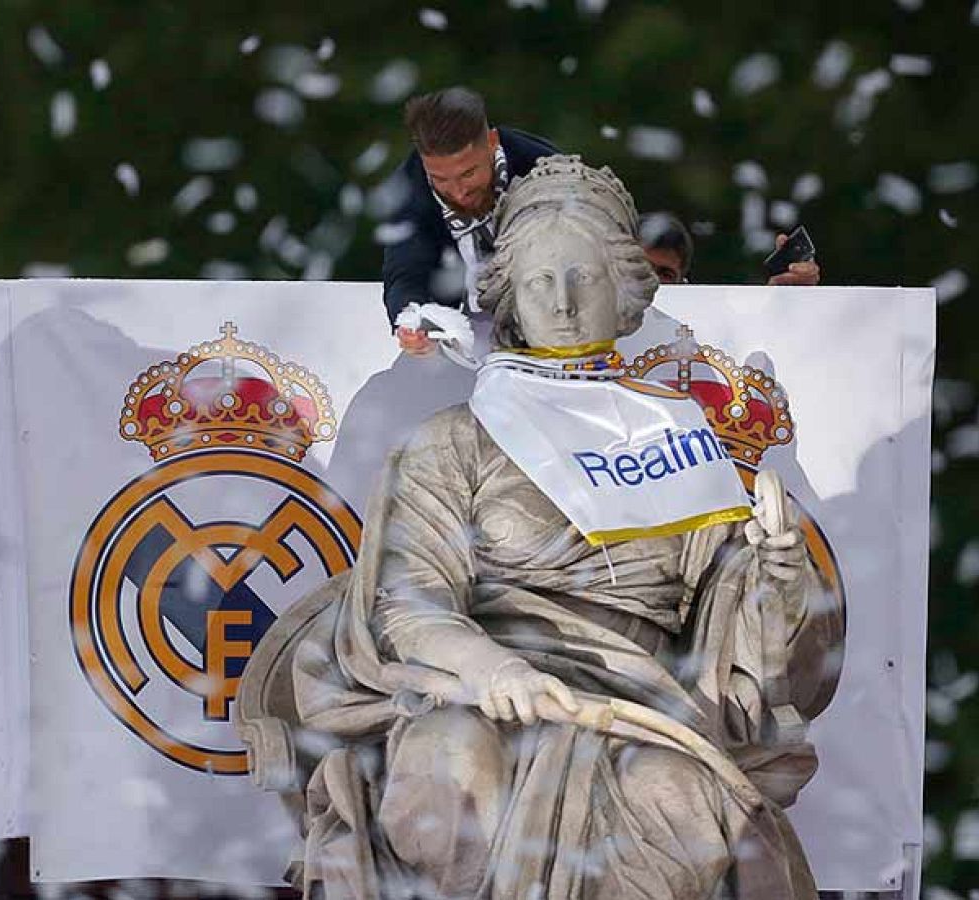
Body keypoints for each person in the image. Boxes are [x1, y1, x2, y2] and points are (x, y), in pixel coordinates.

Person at [241, 156, 843, 900]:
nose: (561, 302)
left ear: (625, 295)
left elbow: (734, 635)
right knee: (448, 765)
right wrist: (493, 669)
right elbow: (407, 602)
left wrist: (779, 581)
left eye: (583, 277)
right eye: (538, 281)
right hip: (477, 692)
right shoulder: (449, 441)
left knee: (676, 795)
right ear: (509, 301)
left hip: (643, 704)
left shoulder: (678, 436)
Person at [380, 86, 559, 355]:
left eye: (468, 173)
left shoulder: (546, 169)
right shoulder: (408, 191)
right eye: (440, 179)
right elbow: (405, 271)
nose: (458, 192)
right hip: (459, 340)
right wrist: (411, 321)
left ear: (492, 142)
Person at [639, 211, 822, 286]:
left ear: (682, 283)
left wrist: (793, 299)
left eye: (665, 274)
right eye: (639, 266)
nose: (650, 279)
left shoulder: (696, 331)